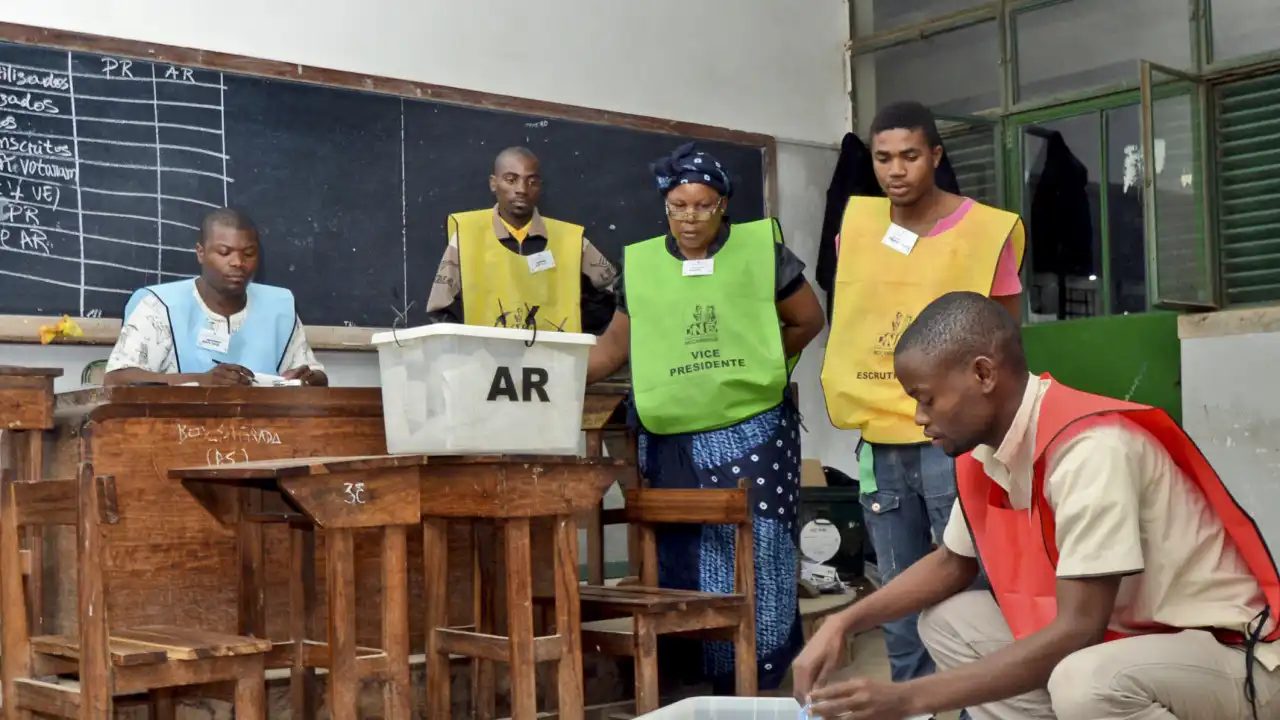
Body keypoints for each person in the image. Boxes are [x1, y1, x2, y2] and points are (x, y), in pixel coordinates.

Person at [795, 291, 1280, 720]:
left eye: (927, 399)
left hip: (1230, 659)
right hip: (1128, 647)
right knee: (951, 622)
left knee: (1085, 684)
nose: (920, 417)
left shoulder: (1089, 449)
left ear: (983, 373)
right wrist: (844, 621)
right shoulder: (985, 448)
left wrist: (910, 699)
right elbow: (951, 564)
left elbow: (1078, 629)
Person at [588, 143, 825, 690]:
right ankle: (685, 685)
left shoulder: (762, 252)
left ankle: (758, 683)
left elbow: (807, 319)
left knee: (760, 557)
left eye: (703, 205)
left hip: (753, 434)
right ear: (664, 206)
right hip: (670, 442)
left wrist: (763, 365)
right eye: (678, 205)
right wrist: (548, 376)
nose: (689, 217)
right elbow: (612, 350)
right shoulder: (643, 264)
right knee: (679, 559)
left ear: (723, 205)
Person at [819, 101, 1026, 687]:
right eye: (883, 158)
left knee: (971, 580)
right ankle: (909, 701)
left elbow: (1006, 343)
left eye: (910, 155)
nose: (895, 170)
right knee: (896, 585)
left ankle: (981, 698)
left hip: (956, 441)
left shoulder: (987, 232)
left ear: (935, 156)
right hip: (879, 439)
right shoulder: (855, 228)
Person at [105, 208, 327, 387]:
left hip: (263, 435)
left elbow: (312, 374)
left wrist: (311, 379)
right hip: (177, 434)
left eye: (248, 253)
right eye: (224, 252)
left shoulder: (279, 307)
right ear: (200, 253)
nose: (238, 262)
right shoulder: (159, 306)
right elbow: (117, 380)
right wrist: (200, 381)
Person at [425, 146, 619, 334]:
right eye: (511, 180)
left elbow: (615, 292)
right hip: (487, 360)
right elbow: (441, 309)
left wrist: (579, 325)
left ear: (540, 187)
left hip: (554, 359)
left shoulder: (570, 241)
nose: (522, 190)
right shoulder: (468, 236)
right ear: (493, 183)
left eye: (531, 182)